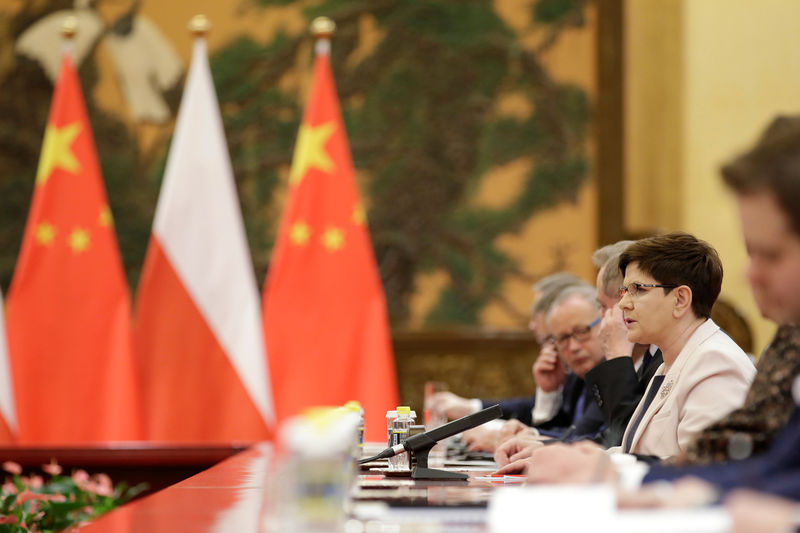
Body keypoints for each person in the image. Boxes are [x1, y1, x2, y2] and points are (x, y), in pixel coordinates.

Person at [426, 272, 583, 425]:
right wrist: (472, 408)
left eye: (537, 313)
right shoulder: (564, 360)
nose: (532, 325)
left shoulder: (583, 360)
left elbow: (574, 435)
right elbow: (535, 411)